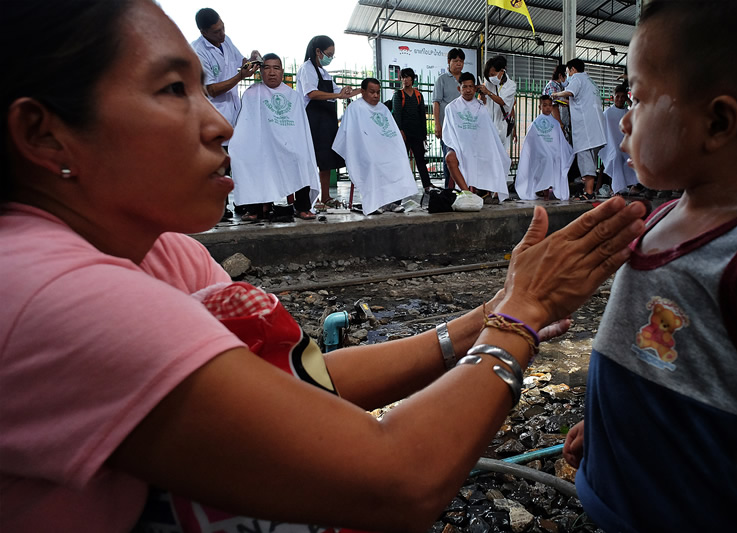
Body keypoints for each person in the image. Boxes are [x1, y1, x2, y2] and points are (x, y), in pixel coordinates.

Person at [0, 1, 648, 530]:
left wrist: (477, 322)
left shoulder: (165, 252)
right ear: (44, 133)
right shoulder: (51, 290)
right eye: (173, 89)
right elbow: (399, 478)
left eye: (203, 89)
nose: (218, 125)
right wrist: (518, 318)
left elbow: (296, 381)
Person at [561, 2, 737, 532]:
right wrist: (601, 425)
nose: (624, 117)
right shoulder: (660, 216)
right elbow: (644, 356)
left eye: (639, 97)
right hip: (617, 497)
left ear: (716, 123)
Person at [229, 54, 319, 221]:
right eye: (267, 68)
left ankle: (302, 207)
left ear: (282, 72)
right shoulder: (252, 93)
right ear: (261, 71)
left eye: (276, 68)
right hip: (263, 146)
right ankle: (254, 208)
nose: (271, 72)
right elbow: (247, 126)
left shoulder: (294, 96)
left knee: (301, 159)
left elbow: (300, 129)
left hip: (289, 146)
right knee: (252, 159)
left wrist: (295, 146)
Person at [191, 8, 259, 221]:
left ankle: (242, 203)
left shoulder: (226, 41)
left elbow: (241, 63)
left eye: (222, 28)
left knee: (236, 161)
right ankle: (219, 208)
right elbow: (210, 89)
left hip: (234, 113)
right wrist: (240, 76)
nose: (221, 34)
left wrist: (253, 60)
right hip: (214, 115)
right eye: (216, 32)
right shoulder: (197, 51)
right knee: (218, 165)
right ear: (204, 32)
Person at [332, 78, 419, 215]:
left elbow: (392, 133)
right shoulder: (355, 108)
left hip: (384, 149)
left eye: (378, 92)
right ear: (362, 91)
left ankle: (394, 202)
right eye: (372, 92)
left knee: (400, 160)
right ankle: (375, 202)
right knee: (374, 163)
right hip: (364, 150)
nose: (376, 96)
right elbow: (350, 136)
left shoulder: (382, 108)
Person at [296, 35, 357, 209]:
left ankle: (326, 196)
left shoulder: (325, 73)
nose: (330, 57)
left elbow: (340, 92)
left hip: (326, 121)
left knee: (326, 160)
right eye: (329, 54)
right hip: (312, 120)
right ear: (318, 51)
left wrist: (361, 90)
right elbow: (312, 93)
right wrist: (338, 95)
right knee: (311, 160)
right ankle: (309, 199)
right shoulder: (307, 68)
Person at [442, 72, 511, 202]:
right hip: (459, 146)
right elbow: (449, 133)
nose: (468, 90)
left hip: (479, 147)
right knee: (450, 158)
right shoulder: (451, 108)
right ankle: (468, 195)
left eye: (470, 87)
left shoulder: (481, 107)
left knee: (497, 156)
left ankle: (490, 191)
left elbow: (487, 133)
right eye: (464, 87)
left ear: (475, 88)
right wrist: (462, 147)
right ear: (459, 88)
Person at [551, 59, 606, 200]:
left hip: (585, 128)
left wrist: (556, 94)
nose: (568, 75)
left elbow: (569, 92)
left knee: (585, 158)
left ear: (573, 69)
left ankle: (588, 192)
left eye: (568, 71)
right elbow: (577, 100)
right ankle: (588, 189)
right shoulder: (590, 81)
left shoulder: (577, 78)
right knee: (590, 159)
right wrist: (562, 101)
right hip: (596, 128)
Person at [515, 95, 574, 201]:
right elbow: (531, 141)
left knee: (553, 159)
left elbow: (558, 141)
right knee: (546, 159)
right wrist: (542, 150)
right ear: (539, 107)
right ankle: (544, 191)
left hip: (554, 153)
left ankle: (548, 190)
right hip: (540, 154)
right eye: (545, 105)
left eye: (550, 105)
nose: (548, 108)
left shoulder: (555, 124)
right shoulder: (535, 124)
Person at [392, 68, 433, 192]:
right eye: (403, 77)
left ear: (412, 79)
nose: (405, 79)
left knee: (420, 160)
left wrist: (424, 135)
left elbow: (422, 116)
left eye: (408, 77)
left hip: (417, 133)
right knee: (401, 161)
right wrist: (400, 131)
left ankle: (427, 185)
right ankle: (399, 186)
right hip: (403, 133)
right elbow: (397, 114)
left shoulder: (418, 95)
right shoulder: (398, 95)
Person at [598, 84, 639, 195]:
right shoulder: (607, 113)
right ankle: (616, 188)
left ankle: (633, 185)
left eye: (623, 97)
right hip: (610, 145)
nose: (620, 99)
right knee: (616, 155)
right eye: (618, 96)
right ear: (613, 97)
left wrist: (629, 102)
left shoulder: (628, 113)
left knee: (632, 155)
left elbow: (636, 113)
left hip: (625, 145)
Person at [432, 48, 465, 189]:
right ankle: (449, 189)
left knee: (463, 158)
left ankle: (463, 188)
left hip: (464, 127)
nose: (458, 64)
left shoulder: (466, 80)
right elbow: (436, 103)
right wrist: (437, 125)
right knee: (449, 157)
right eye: (455, 61)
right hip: (447, 127)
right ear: (449, 62)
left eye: (461, 61)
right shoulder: (442, 80)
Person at [478, 55, 516, 152]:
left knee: (499, 158)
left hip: (501, 126)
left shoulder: (511, 86)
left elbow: (503, 102)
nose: (490, 77)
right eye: (489, 75)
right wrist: (482, 94)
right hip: (487, 125)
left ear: (502, 71)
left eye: (492, 74)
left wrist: (488, 92)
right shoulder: (488, 82)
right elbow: (484, 101)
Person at [542, 64, 571, 142]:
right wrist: (560, 125)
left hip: (561, 125)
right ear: (560, 75)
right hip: (555, 126)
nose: (567, 79)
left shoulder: (560, 87)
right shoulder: (552, 86)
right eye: (566, 76)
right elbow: (554, 106)